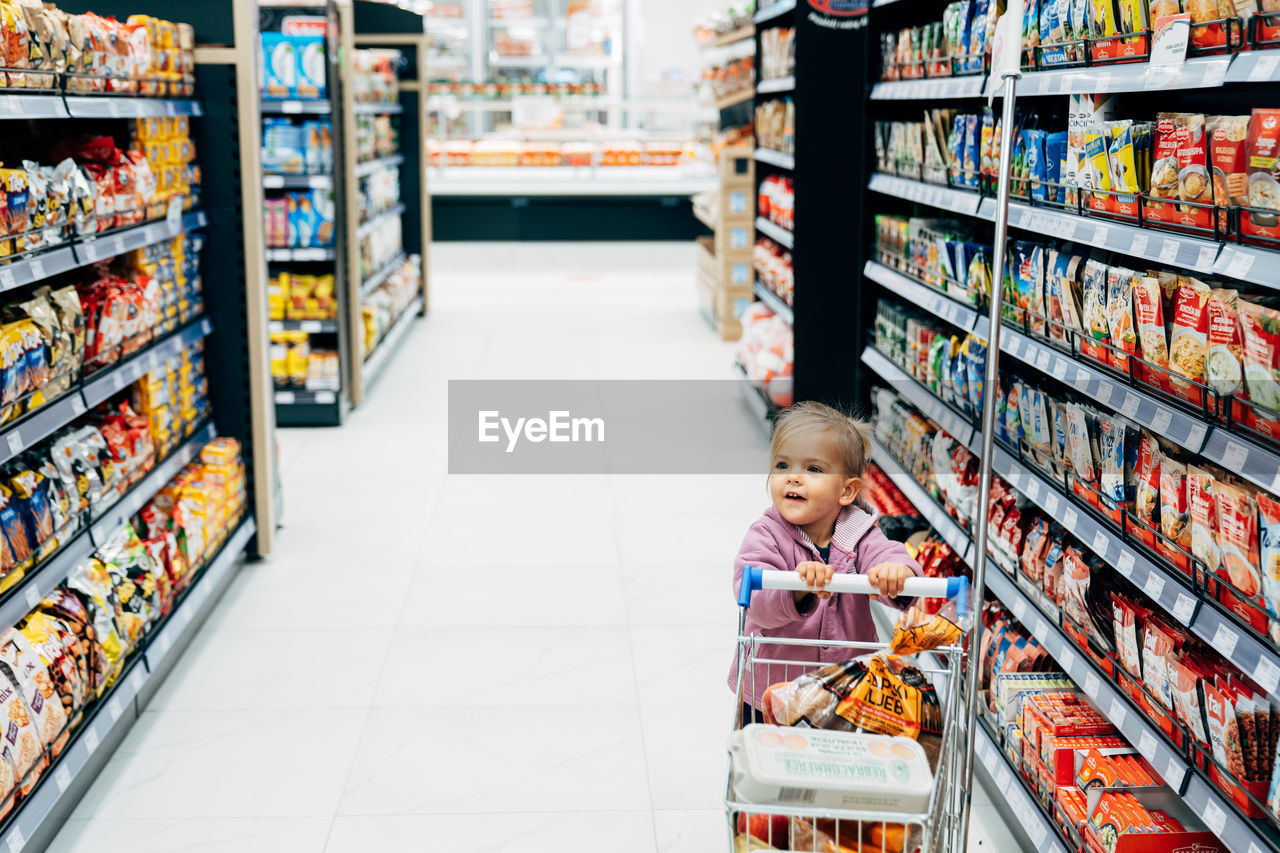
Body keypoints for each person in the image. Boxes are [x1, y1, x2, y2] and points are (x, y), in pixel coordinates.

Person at [729, 401, 920, 723]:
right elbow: (755, 601)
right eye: (782, 465)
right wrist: (798, 587)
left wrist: (896, 571)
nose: (793, 479)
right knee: (765, 765)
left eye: (813, 469)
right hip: (771, 689)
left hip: (844, 689)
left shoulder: (860, 533)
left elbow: (887, 553)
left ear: (847, 490)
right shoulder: (767, 533)